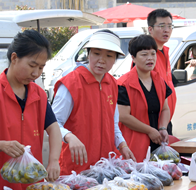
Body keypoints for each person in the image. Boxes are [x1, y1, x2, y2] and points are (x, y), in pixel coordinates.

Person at [0, 29, 62, 190]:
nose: (36, 73)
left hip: (32, 186)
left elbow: (54, 129)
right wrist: (2, 145)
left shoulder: (39, 95)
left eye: (41, 68)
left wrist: (54, 160)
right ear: (14, 58)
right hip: (0, 189)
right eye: (32, 65)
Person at [52, 29, 135, 175]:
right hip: (76, 169)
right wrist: (69, 136)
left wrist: (122, 145)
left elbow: (113, 124)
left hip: (105, 167)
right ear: (88, 54)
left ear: (115, 59)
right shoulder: (71, 83)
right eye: (96, 53)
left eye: (109, 56)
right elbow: (53, 124)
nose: (102, 60)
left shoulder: (112, 84)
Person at [117, 34, 172, 162]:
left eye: (153, 54)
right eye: (144, 54)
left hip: (157, 142)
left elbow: (165, 109)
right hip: (133, 144)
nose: (150, 58)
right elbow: (123, 116)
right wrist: (149, 130)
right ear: (133, 58)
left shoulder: (159, 80)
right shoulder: (124, 84)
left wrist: (163, 128)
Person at [146, 9, 178, 135]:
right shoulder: (147, 55)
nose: (167, 30)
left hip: (165, 120)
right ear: (150, 29)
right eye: (162, 26)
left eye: (170, 26)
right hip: (153, 123)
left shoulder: (164, 51)